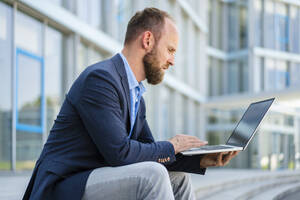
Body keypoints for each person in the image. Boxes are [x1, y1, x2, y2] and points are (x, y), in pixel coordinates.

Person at [23, 7, 238, 200]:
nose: (172, 60)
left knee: (178, 179)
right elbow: (120, 153)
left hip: (93, 176)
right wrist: (173, 145)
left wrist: (200, 160)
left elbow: (151, 153)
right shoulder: (101, 79)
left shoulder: (135, 94)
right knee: (152, 176)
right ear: (147, 40)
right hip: (64, 185)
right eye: (170, 50)